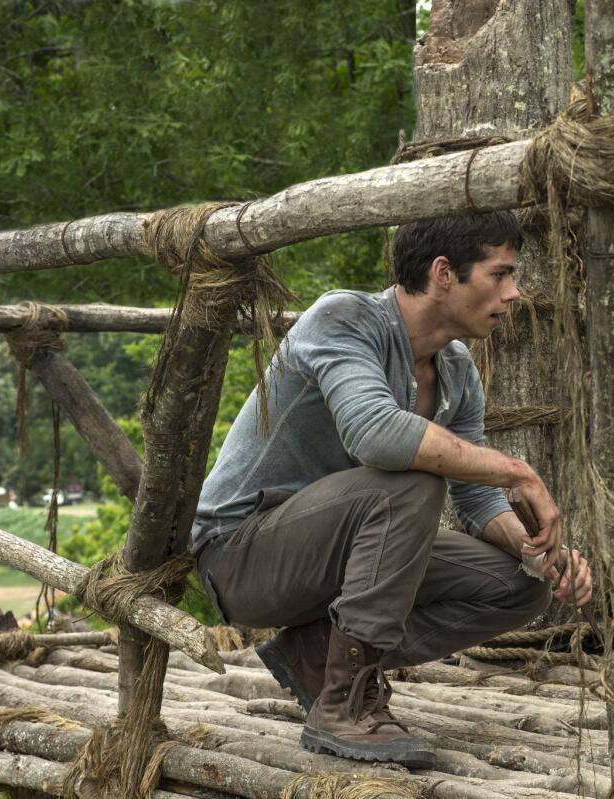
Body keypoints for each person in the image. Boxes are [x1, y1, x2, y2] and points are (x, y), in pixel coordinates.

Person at [191, 211, 593, 768]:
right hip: (242, 557)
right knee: (407, 484)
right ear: (444, 272)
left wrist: (543, 554)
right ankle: (343, 705)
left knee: (518, 587)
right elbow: (376, 434)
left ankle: (319, 655)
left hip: (338, 556)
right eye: (500, 274)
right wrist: (519, 472)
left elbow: (476, 501)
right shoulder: (344, 318)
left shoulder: (457, 371)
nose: (515, 292)